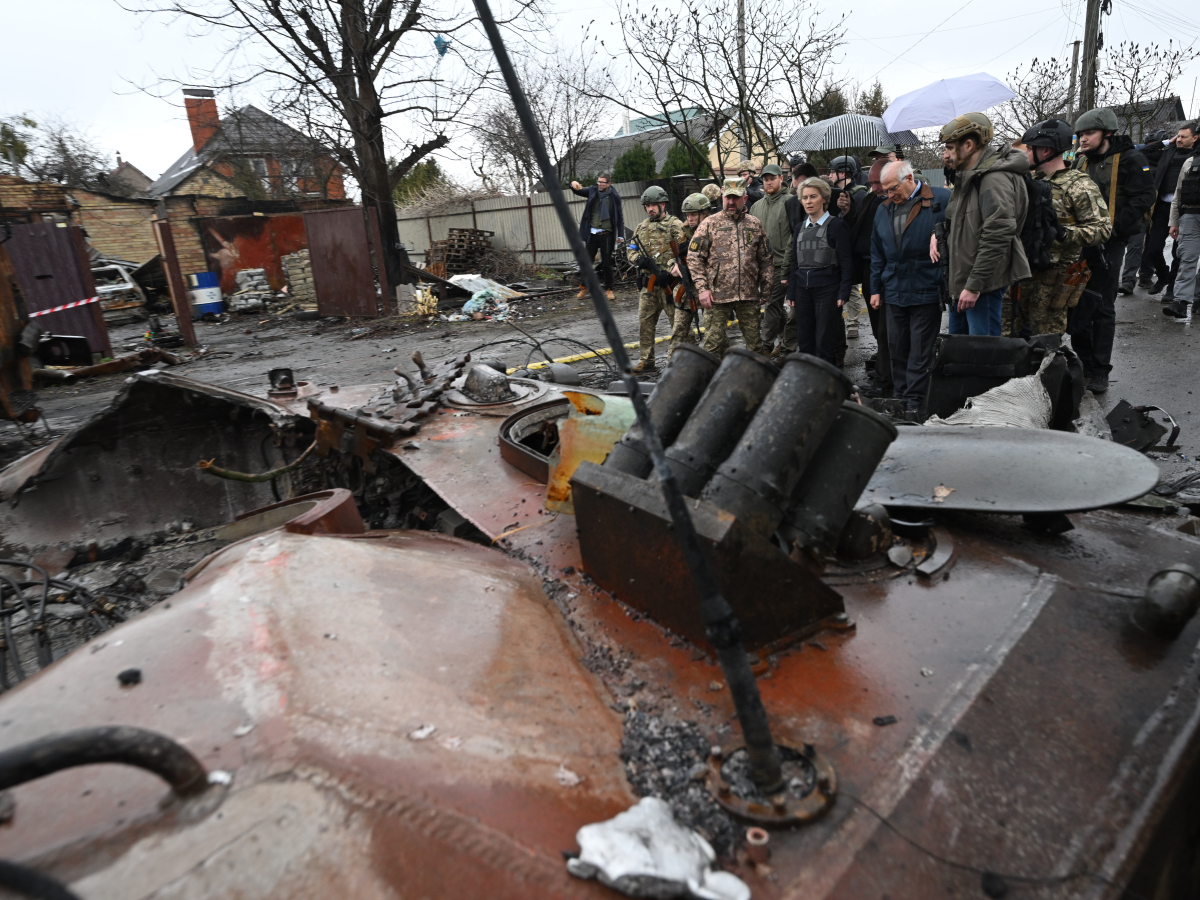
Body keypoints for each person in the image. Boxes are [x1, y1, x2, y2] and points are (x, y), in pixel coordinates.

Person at [1070, 107, 1156, 392]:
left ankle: (1100, 370)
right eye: (1080, 134)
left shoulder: (1131, 159)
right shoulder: (1081, 162)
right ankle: (1083, 361)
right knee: (1076, 301)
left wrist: (1113, 229)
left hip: (1111, 242)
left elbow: (1144, 196)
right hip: (1082, 241)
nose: (1083, 139)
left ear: (1107, 133)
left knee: (1103, 305)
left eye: (1089, 133)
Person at [1003, 119, 1111, 337]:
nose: (1025, 154)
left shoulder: (1079, 185)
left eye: (1030, 149)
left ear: (1046, 150)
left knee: (1045, 342)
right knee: (1006, 336)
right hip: (1019, 274)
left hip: (1053, 280)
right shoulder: (1026, 181)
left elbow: (1102, 230)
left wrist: (1063, 234)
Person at [933, 112, 1031, 337]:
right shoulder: (968, 176)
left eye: (949, 148)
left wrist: (974, 285)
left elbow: (998, 234)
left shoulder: (993, 179)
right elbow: (959, 221)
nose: (944, 155)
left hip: (981, 286)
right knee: (959, 350)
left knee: (983, 350)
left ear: (968, 145)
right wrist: (936, 234)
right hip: (964, 281)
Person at [871, 161, 950, 417]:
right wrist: (875, 288)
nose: (889, 194)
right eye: (885, 190)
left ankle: (915, 401)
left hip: (926, 285)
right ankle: (899, 396)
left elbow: (959, 231)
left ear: (909, 178)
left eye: (893, 188)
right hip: (894, 287)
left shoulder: (940, 199)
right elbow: (877, 253)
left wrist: (940, 235)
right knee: (897, 347)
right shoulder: (883, 209)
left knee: (920, 349)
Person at [689, 177, 772, 357]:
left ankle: (755, 374)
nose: (731, 202)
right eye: (728, 197)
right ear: (722, 197)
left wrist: (766, 288)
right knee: (712, 347)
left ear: (745, 198)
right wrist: (702, 289)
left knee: (755, 347)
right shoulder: (709, 224)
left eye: (736, 197)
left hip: (748, 295)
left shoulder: (754, 224)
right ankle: (710, 375)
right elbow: (694, 257)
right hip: (717, 296)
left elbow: (765, 258)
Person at [787, 177, 853, 365]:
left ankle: (826, 377)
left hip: (827, 289)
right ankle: (808, 377)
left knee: (825, 340)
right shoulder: (799, 227)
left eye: (813, 196)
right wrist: (791, 291)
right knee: (805, 339)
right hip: (802, 290)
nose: (808, 201)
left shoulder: (836, 226)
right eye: (805, 197)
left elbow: (846, 262)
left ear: (824, 198)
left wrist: (844, 292)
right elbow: (795, 261)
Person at [627, 185, 686, 371]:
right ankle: (646, 360)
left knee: (678, 324)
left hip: (670, 283)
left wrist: (672, 272)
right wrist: (638, 260)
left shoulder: (675, 225)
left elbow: (685, 251)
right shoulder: (641, 227)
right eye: (647, 206)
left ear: (663, 204)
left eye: (653, 205)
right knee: (645, 322)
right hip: (649, 285)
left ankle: (682, 360)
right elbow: (631, 250)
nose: (650, 209)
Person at [1143, 124, 1197, 299]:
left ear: (1195, 138)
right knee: (1152, 249)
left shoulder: (1196, 156)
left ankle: (1172, 289)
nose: (1179, 139)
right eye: (1178, 136)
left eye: (1183, 137)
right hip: (1162, 208)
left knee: (1178, 253)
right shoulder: (1168, 152)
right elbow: (1141, 152)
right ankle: (1163, 276)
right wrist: (1167, 142)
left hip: (1185, 211)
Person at [751, 163, 797, 358]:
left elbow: (795, 233)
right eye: (766, 179)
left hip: (783, 264)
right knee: (775, 306)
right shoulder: (756, 206)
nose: (769, 182)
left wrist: (788, 262)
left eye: (772, 178)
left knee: (771, 304)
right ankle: (785, 339)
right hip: (763, 265)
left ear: (781, 179)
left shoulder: (791, 202)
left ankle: (766, 345)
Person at [858, 158, 893, 395]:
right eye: (871, 183)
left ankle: (886, 375)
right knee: (878, 324)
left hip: (889, 272)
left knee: (888, 327)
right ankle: (883, 366)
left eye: (878, 182)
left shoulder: (897, 203)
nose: (874, 188)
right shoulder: (871, 200)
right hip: (871, 268)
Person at [668, 192, 714, 357]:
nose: (690, 218)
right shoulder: (683, 233)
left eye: (694, 214)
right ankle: (671, 365)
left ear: (704, 213)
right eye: (688, 215)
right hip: (687, 290)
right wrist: (674, 266)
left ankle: (717, 365)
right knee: (678, 332)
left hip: (708, 289)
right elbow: (671, 257)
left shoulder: (714, 229)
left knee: (714, 335)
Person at [1164, 128, 1200, 318]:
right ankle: (1181, 302)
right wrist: (1174, 221)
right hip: (1190, 215)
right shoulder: (1191, 162)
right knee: (1187, 259)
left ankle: (1198, 300)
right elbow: (1178, 194)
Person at [570, 174, 624, 301]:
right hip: (592, 234)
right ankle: (584, 287)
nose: (599, 184)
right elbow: (578, 191)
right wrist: (573, 184)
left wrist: (620, 234)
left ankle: (609, 289)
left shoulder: (614, 197)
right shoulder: (592, 190)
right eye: (598, 181)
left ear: (608, 184)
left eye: (602, 182)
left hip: (607, 234)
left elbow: (619, 217)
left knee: (606, 264)